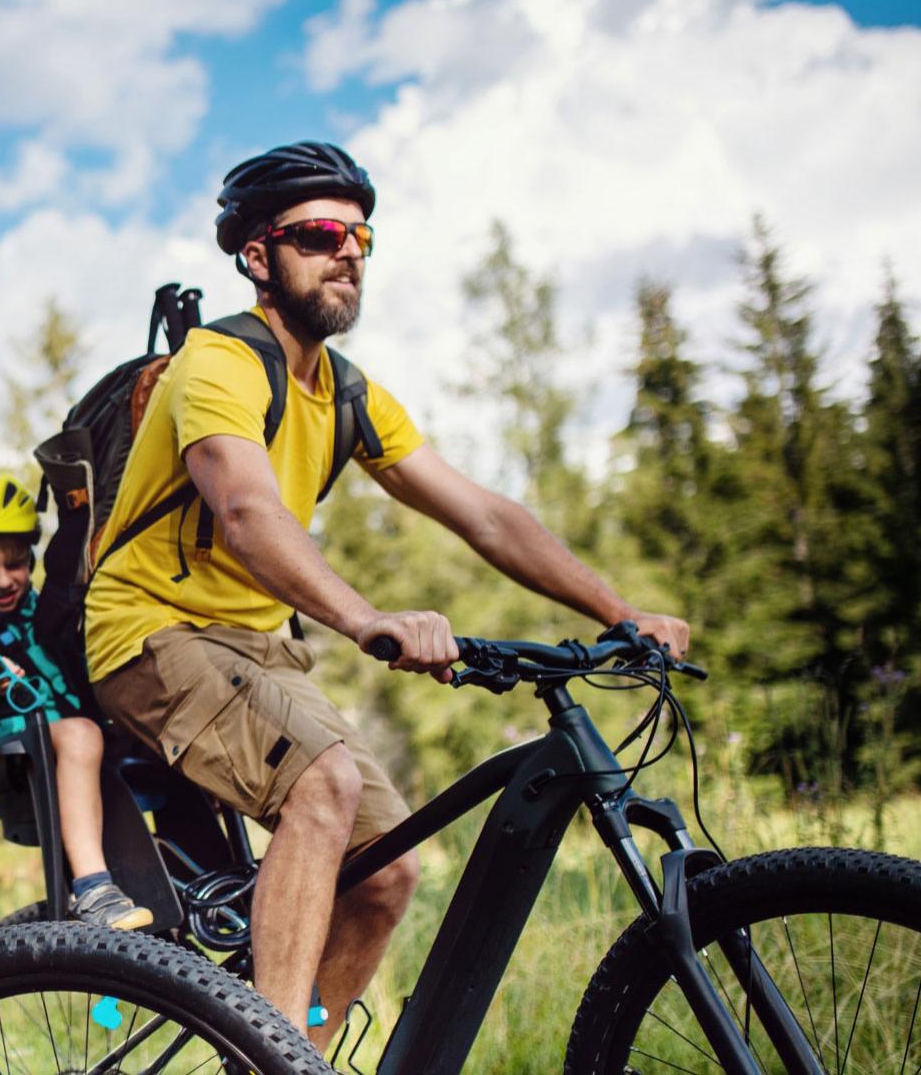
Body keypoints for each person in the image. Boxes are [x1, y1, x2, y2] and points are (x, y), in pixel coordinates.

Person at [83, 141, 690, 1048]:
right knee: (321, 785)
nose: (349, 252)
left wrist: (618, 611)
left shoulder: (346, 394)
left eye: (361, 235)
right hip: (152, 631)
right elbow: (245, 511)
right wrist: (366, 619)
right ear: (258, 256)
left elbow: (484, 515)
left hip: (259, 650)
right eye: (321, 233)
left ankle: (302, 1051)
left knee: (385, 871)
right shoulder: (217, 363)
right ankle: (273, 1058)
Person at [0, 471, 151, 930]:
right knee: (82, 734)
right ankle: (93, 888)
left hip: (64, 734)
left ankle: (199, 873)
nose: (4, 581)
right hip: (15, 748)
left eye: (16, 564)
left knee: (155, 726)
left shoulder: (36, 609)